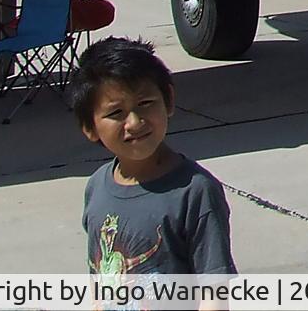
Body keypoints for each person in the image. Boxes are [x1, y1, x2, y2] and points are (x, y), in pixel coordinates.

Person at [70, 38, 235, 277]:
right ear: (89, 126)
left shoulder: (195, 192)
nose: (135, 123)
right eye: (116, 112)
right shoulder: (96, 187)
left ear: (167, 99)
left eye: (145, 103)